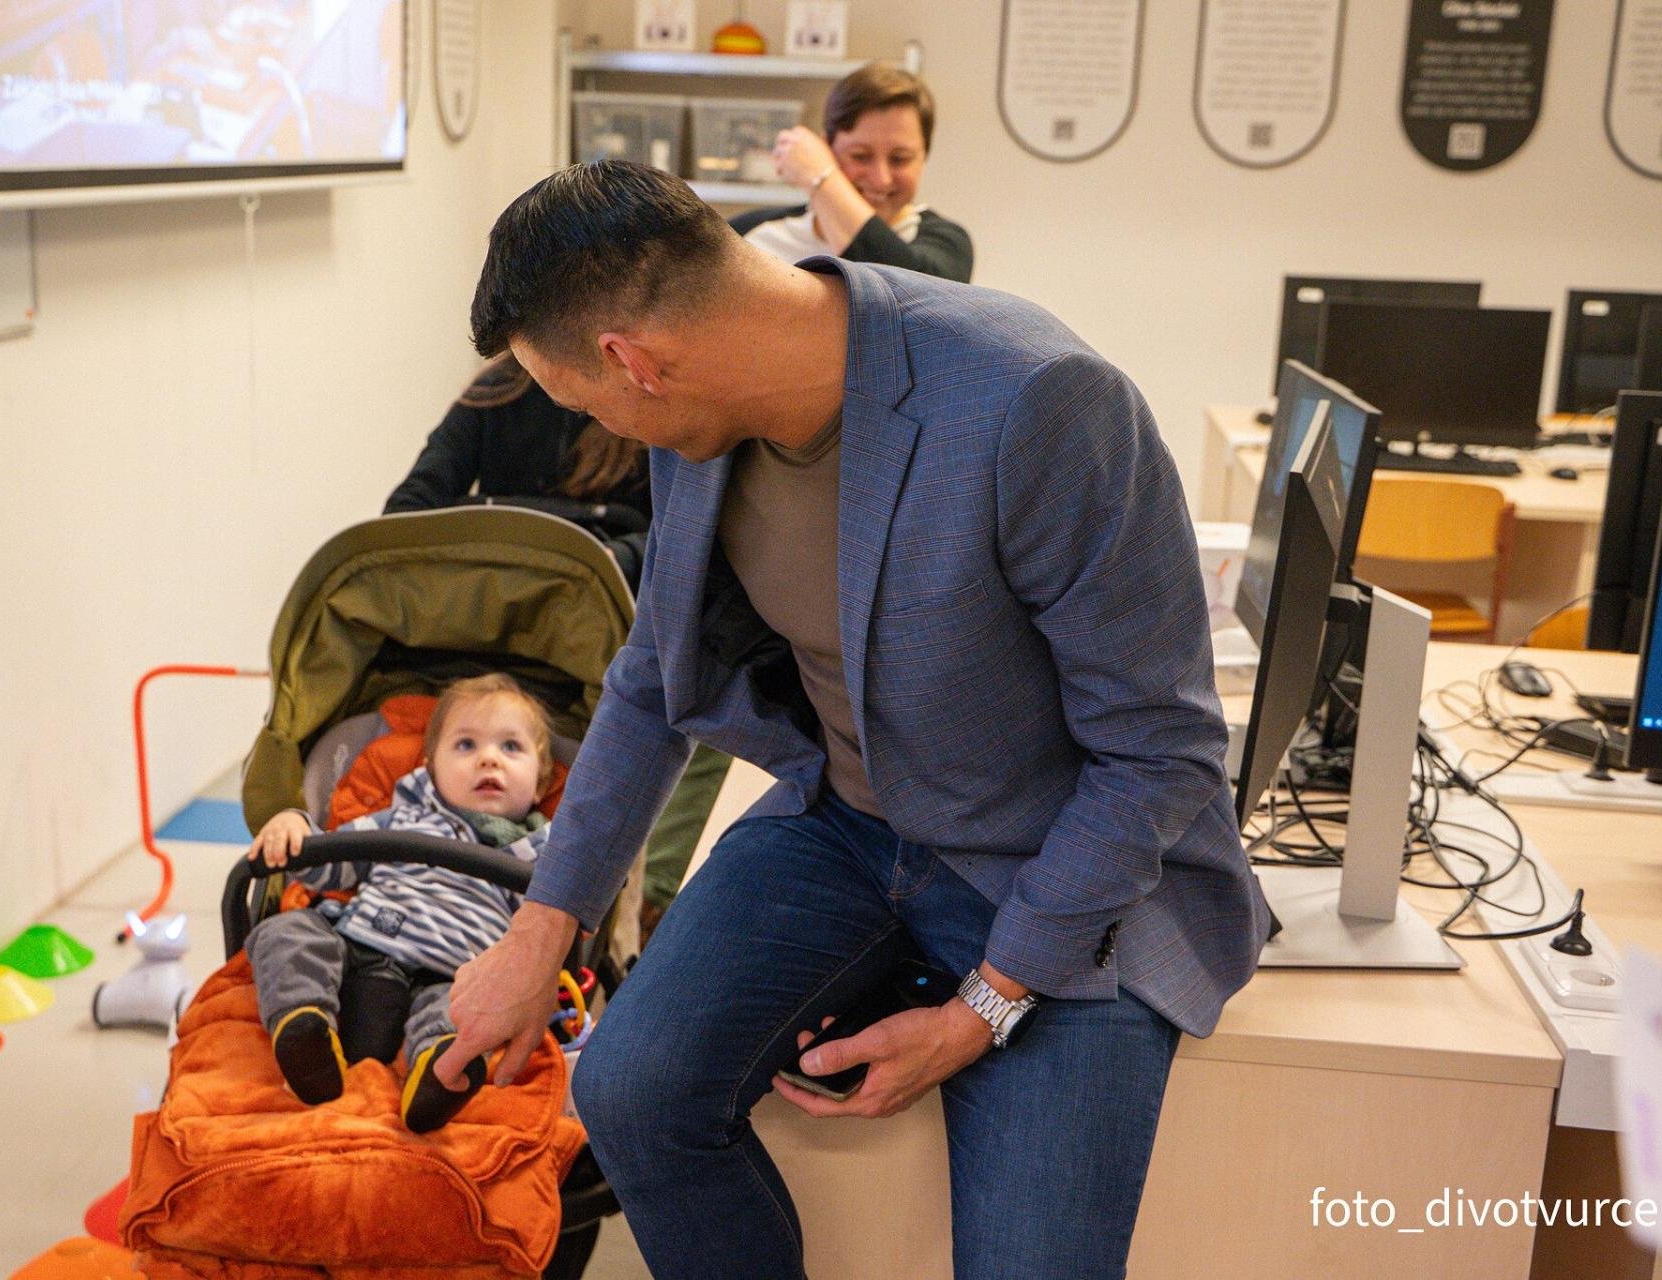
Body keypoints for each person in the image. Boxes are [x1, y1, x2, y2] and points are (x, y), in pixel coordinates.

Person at [434, 161, 1268, 1279]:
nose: (598, 428)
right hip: (851, 825)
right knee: (630, 1091)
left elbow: (1162, 752)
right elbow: (651, 676)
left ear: (634, 361)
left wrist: (981, 1010)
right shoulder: (700, 422)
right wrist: (541, 934)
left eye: (585, 404)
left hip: (1060, 867)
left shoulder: (1037, 401)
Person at [244, 673, 555, 1134]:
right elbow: (331, 868)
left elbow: (549, 939)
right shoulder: (403, 818)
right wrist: (296, 828)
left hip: (455, 981)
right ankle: (304, 1024)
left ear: (541, 781)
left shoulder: (545, 857)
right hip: (355, 954)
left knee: (473, 1018)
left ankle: (440, 1074)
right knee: (286, 931)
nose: (489, 758)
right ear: (431, 768)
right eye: (466, 745)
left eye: (511, 747)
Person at [385, 355, 650, 589]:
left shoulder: (644, 396)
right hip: (499, 592)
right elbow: (410, 507)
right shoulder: (498, 388)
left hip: (601, 599)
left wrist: (619, 557)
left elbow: (668, 534)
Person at [730, 62, 972, 283]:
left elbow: (906, 293)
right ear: (827, 149)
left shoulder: (947, 243)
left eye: (899, 159)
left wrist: (821, 177)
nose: (881, 179)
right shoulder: (747, 236)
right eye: (860, 156)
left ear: (924, 158)